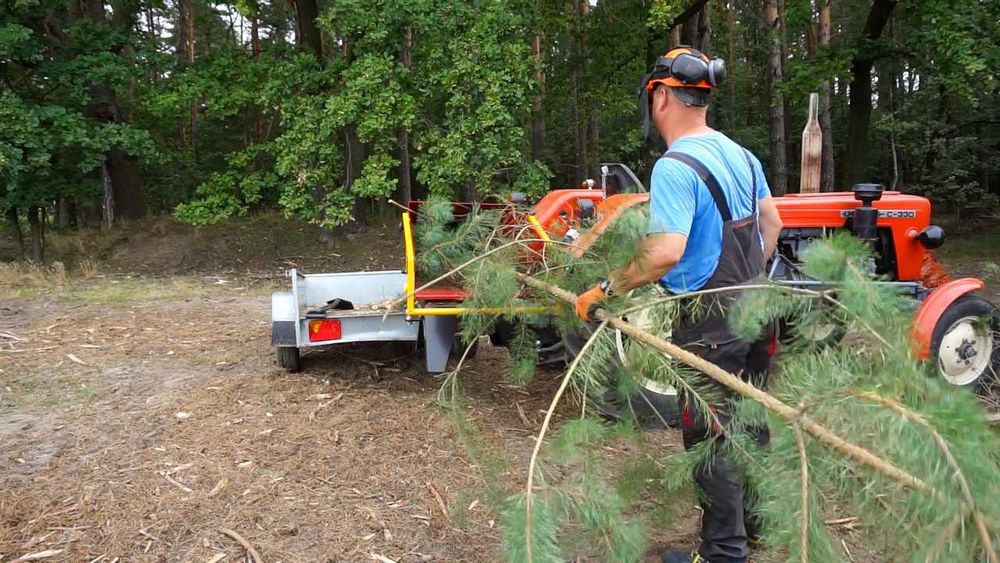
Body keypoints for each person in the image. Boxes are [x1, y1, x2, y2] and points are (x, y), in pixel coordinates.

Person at [573, 46, 783, 563]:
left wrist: (605, 290)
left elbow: (665, 251)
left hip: (712, 324)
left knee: (711, 439)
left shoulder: (674, 166)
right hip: (760, 305)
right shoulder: (740, 153)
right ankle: (757, 528)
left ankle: (723, 554)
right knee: (752, 421)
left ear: (662, 96)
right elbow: (772, 226)